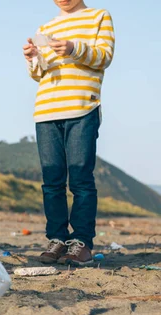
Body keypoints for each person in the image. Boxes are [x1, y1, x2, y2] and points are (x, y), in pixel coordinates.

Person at [23, 0, 115, 266]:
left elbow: (104, 57)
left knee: (81, 180)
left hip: (82, 108)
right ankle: (57, 239)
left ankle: (82, 242)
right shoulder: (47, 26)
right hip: (46, 111)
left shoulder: (99, 17)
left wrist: (75, 48)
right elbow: (39, 74)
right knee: (51, 182)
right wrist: (32, 59)